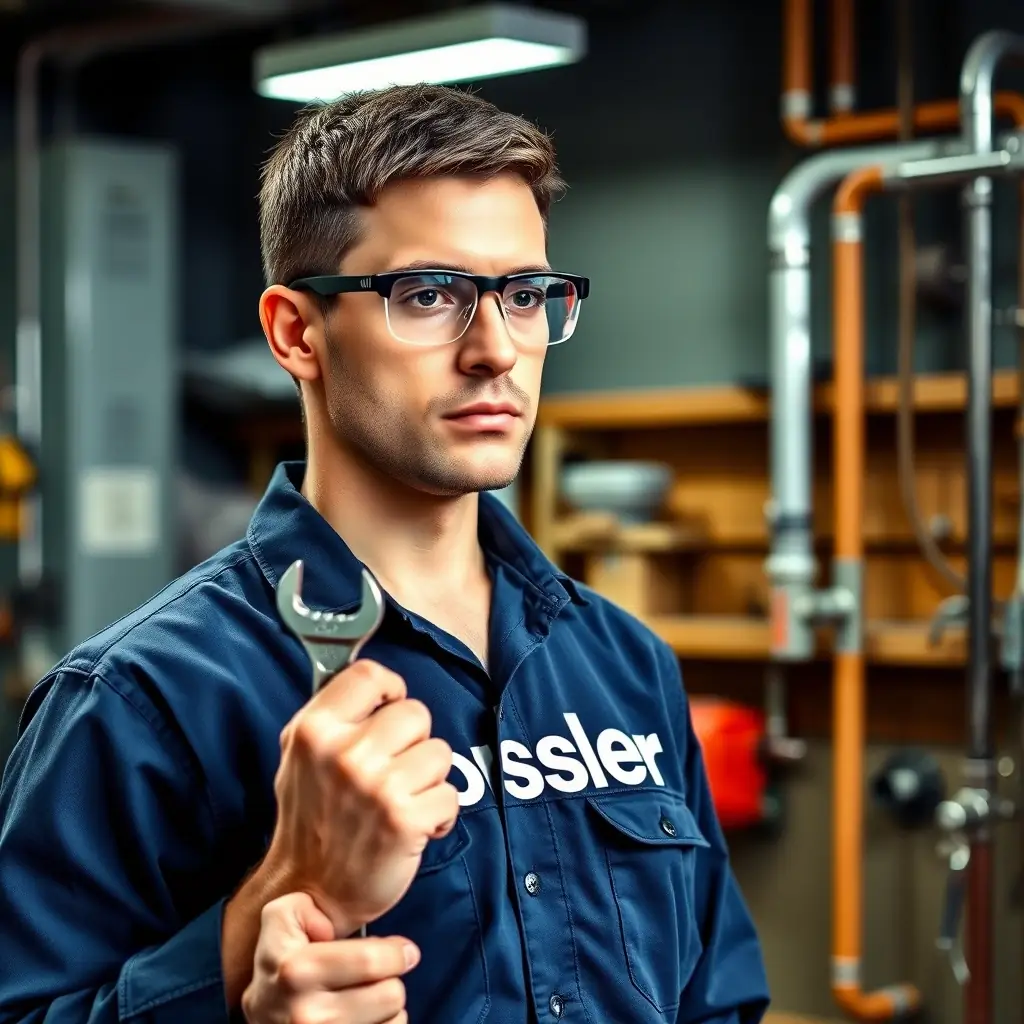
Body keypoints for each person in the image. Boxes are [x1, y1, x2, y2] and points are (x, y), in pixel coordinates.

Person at [0, 83, 770, 1023]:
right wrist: (246, 957)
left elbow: (716, 998)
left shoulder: (623, 663)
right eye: (430, 294)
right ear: (297, 332)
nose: (495, 350)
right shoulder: (141, 701)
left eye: (525, 295)